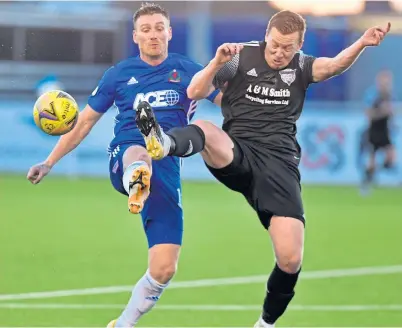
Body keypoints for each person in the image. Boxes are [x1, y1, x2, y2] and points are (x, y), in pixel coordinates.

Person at [134, 10, 391, 327]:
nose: (280, 52)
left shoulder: (302, 66)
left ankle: (265, 323)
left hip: (279, 167)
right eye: (275, 45)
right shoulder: (239, 57)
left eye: (288, 47)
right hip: (238, 152)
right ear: (267, 35)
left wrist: (362, 42)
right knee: (205, 127)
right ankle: (163, 142)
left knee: (290, 259)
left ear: (299, 45)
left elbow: (334, 65)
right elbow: (194, 92)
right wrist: (216, 62)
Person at [26, 3, 220, 327]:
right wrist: (49, 162)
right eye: (146, 29)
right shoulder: (118, 75)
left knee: (164, 268)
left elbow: (225, 100)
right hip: (125, 154)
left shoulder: (188, 71)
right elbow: (85, 122)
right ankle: (137, 177)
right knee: (140, 151)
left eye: (159, 27)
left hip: (167, 168)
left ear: (169, 32)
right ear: (136, 36)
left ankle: (123, 323)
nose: (153, 34)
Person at [361, 70, 397, 194]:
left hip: (385, 131)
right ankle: (366, 184)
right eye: (385, 81)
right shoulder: (372, 95)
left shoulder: (389, 95)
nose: (387, 84)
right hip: (374, 131)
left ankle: (377, 173)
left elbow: (390, 113)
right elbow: (368, 114)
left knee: (391, 157)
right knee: (371, 161)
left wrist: (392, 119)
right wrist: (382, 112)